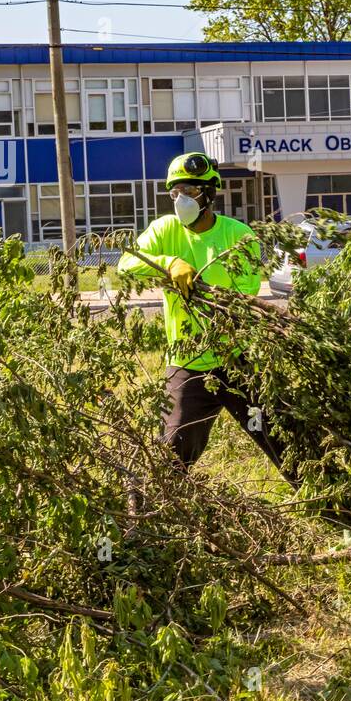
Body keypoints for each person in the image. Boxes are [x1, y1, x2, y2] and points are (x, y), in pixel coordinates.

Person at [118, 152, 291, 479]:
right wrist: (169, 263)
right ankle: (157, 514)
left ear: (209, 193)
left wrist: (200, 285)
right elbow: (126, 264)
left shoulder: (238, 235)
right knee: (172, 450)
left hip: (237, 360)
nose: (182, 199)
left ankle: (332, 506)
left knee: (279, 436)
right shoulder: (165, 230)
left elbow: (245, 292)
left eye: (191, 190)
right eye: (175, 192)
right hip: (187, 362)